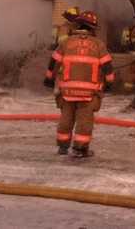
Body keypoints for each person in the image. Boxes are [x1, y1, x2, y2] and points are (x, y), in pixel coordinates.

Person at [44, 10, 113, 158]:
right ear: (92, 29)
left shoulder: (66, 43)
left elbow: (54, 62)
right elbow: (107, 67)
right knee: (84, 121)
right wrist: (109, 83)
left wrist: (49, 79)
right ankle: (80, 149)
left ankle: (63, 147)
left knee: (66, 118)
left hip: (67, 91)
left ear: (77, 25)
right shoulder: (99, 45)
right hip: (89, 93)